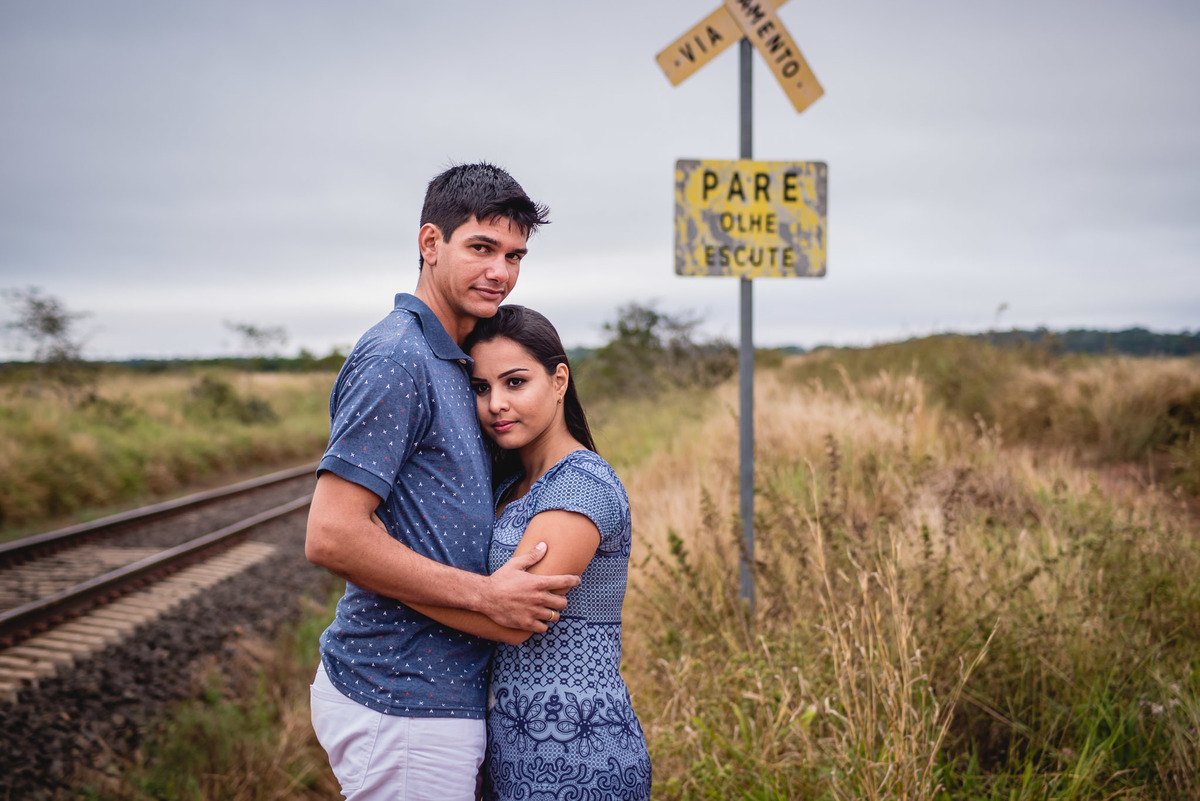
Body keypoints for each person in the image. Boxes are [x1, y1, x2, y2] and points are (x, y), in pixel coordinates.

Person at [304, 163, 580, 801]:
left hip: (440, 695)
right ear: (431, 243)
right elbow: (331, 534)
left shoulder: (456, 362)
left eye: (514, 256)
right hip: (400, 696)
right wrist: (486, 596)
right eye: (481, 248)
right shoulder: (398, 357)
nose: (500, 272)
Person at [405, 305, 652, 800]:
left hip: (579, 752)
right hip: (513, 746)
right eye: (481, 388)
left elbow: (517, 619)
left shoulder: (581, 485)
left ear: (559, 381)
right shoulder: (511, 484)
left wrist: (385, 578)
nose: (496, 404)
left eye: (515, 382)